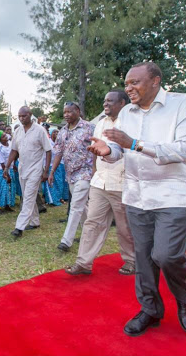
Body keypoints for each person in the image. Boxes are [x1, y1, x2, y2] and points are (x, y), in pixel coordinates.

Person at [89, 62, 186, 336]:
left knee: (165, 255)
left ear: (155, 81)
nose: (129, 89)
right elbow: (121, 150)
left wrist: (134, 143)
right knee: (143, 259)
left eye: (134, 83)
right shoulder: (127, 111)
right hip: (137, 196)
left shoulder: (184, 104)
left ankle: (185, 302)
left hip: (174, 196)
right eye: (126, 84)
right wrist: (108, 151)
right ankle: (150, 309)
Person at [65, 89, 135, 276]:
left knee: (124, 226)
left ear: (122, 103)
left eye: (110, 101)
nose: (106, 104)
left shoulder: (131, 123)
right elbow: (95, 153)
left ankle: (131, 260)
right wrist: (93, 177)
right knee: (92, 223)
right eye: (105, 100)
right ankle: (84, 263)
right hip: (99, 182)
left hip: (122, 183)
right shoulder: (100, 124)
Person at [48, 102, 95, 252]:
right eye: (65, 112)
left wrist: (95, 169)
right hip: (71, 174)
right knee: (81, 207)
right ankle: (91, 233)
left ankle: (66, 241)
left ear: (78, 111)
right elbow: (58, 152)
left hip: (85, 172)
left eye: (70, 112)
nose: (66, 115)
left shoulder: (89, 127)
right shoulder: (62, 132)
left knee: (75, 205)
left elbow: (98, 148)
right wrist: (52, 171)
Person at [4, 107, 51, 238]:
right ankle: (35, 222)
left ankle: (19, 227)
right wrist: (7, 167)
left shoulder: (40, 130)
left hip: (36, 169)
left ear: (30, 115)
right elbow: (14, 150)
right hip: (22, 168)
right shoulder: (18, 131)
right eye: (19, 116)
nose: (21, 118)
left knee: (28, 197)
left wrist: (46, 171)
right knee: (27, 196)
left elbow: (48, 151)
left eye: (24, 116)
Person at [0, 134, 15, 213]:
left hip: (10, 168)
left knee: (10, 188)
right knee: (2, 187)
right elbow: (2, 163)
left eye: (5, 135)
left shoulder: (9, 144)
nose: (6, 137)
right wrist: (7, 175)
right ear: (0, 140)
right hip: (2, 170)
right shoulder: (0, 149)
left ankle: (7, 205)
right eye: (3, 137)